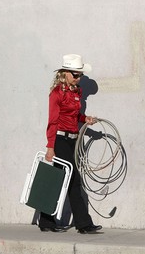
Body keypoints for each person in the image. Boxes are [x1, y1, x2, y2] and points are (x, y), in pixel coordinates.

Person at [39, 54, 102, 234]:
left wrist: (85, 118)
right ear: (65, 73)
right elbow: (52, 121)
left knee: (59, 179)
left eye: (79, 75)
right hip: (59, 140)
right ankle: (83, 224)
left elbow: (74, 116)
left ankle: (46, 221)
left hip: (72, 140)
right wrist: (50, 147)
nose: (78, 78)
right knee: (72, 179)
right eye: (75, 74)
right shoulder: (57, 93)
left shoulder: (77, 92)